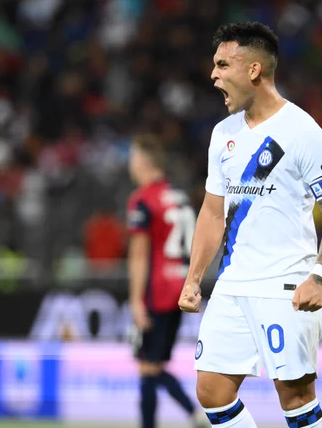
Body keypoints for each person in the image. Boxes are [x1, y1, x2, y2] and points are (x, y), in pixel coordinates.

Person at [178, 22, 322, 427]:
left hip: (285, 285)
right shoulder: (223, 134)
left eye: (223, 65)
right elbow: (212, 212)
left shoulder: (303, 132)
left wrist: (320, 277)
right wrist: (193, 278)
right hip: (232, 284)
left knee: (295, 397)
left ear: (253, 69)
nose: (213, 75)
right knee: (211, 391)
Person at [126, 134, 207, 428]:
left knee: (148, 366)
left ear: (143, 161)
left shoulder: (143, 200)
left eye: (133, 158)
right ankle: (194, 414)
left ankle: (193, 414)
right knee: (153, 364)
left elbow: (139, 255)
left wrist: (136, 301)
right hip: (181, 288)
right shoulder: (180, 197)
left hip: (157, 291)